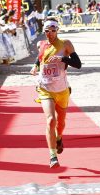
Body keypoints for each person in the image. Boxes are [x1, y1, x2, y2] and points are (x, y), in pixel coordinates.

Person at [30, 17, 82, 168]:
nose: (50, 34)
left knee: (61, 122)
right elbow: (41, 58)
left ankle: (59, 137)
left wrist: (63, 58)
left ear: (57, 30)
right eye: (47, 31)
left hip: (62, 90)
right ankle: (52, 156)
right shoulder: (41, 44)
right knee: (51, 120)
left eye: (53, 31)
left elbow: (78, 64)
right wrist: (35, 67)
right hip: (45, 88)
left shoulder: (65, 44)